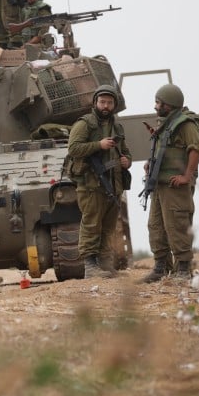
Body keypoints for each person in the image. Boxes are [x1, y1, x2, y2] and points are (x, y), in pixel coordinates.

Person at [140, 84, 199, 284]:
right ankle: (161, 267)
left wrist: (187, 176)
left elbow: (195, 149)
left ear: (169, 104)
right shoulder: (167, 122)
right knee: (156, 226)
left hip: (176, 185)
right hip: (160, 184)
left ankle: (184, 269)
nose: (155, 106)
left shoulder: (186, 124)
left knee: (177, 225)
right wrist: (149, 164)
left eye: (158, 102)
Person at [66, 84, 133, 279]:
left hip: (113, 186)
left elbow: (126, 151)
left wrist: (126, 161)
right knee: (91, 225)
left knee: (108, 227)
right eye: (102, 102)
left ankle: (105, 265)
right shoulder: (85, 124)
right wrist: (99, 145)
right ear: (95, 102)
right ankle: (90, 268)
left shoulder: (117, 127)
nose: (106, 106)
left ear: (114, 105)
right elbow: (74, 148)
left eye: (109, 103)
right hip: (91, 185)